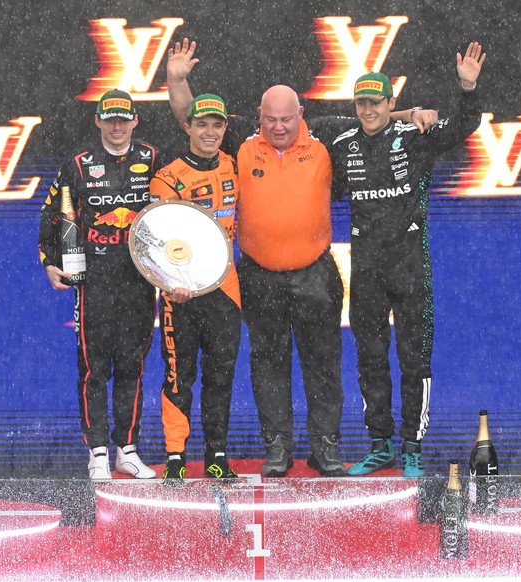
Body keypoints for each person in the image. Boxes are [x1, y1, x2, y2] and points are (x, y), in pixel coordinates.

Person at [166, 39, 438, 478]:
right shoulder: (243, 142)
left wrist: (413, 115)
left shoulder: (328, 135)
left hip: (315, 274)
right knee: (267, 363)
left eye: (287, 119)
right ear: (258, 117)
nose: (278, 127)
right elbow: (190, 119)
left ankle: (325, 448)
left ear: (301, 116)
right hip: (259, 274)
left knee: (323, 363)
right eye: (270, 119)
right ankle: (277, 449)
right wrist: (178, 80)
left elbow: (372, 120)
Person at [328, 43, 486, 477]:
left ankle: (412, 446)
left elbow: (463, 126)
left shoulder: (414, 138)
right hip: (366, 269)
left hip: (410, 263)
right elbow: (300, 140)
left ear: (389, 102)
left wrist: (467, 88)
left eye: (375, 102)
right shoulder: (341, 143)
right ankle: (379, 445)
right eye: (361, 102)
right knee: (370, 359)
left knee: (415, 359)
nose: (368, 109)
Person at [38, 89, 161, 480]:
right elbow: (53, 215)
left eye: (124, 118)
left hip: (140, 277)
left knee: (132, 366)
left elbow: (174, 212)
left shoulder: (153, 159)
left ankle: (127, 449)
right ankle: (97, 453)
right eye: (110, 119)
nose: (117, 126)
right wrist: (49, 261)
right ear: (98, 121)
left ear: (135, 120)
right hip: (94, 278)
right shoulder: (78, 164)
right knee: (94, 369)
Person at [148, 93, 241, 483]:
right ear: (187, 126)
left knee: (221, 375)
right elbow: (153, 241)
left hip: (225, 289)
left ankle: (217, 455)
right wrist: (172, 284)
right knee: (177, 376)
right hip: (180, 294)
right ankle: (175, 457)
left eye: (216, 125)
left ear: (224, 128)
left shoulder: (235, 164)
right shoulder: (167, 177)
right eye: (201, 124)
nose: (209, 132)